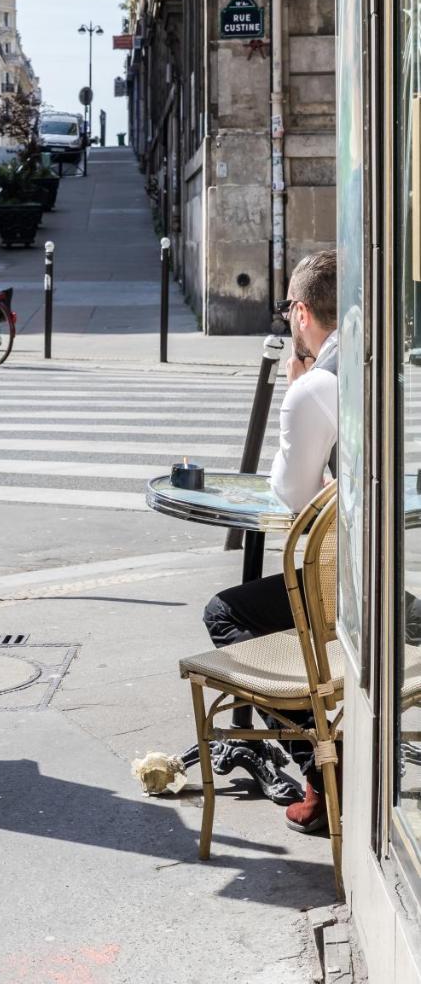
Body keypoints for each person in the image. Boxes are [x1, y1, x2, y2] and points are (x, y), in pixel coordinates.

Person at [202, 249, 338, 835]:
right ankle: (323, 753)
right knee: (269, 606)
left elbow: (288, 495)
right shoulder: (370, 365)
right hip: (379, 568)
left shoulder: (316, 389)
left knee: (227, 613)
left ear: (301, 312)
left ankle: (322, 769)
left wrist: (296, 384)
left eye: (287, 311)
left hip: (344, 581)